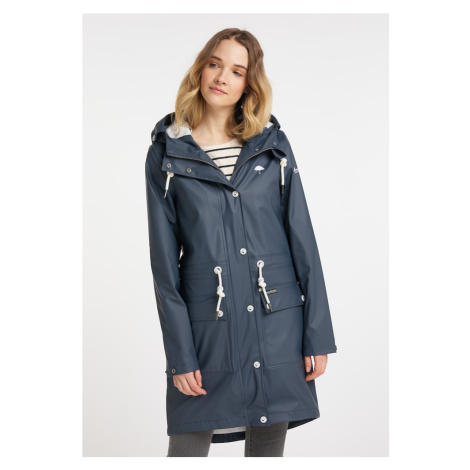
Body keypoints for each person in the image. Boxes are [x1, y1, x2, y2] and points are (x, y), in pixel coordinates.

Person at [145, 28, 337, 458]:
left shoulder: (272, 147)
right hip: (208, 327)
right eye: (215, 64)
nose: (222, 77)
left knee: (267, 449)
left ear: (249, 83)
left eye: (237, 70)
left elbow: (303, 241)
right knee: (187, 449)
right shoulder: (167, 153)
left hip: (277, 323)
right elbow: (164, 265)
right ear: (201, 68)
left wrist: (317, 334)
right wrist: (180, 355)